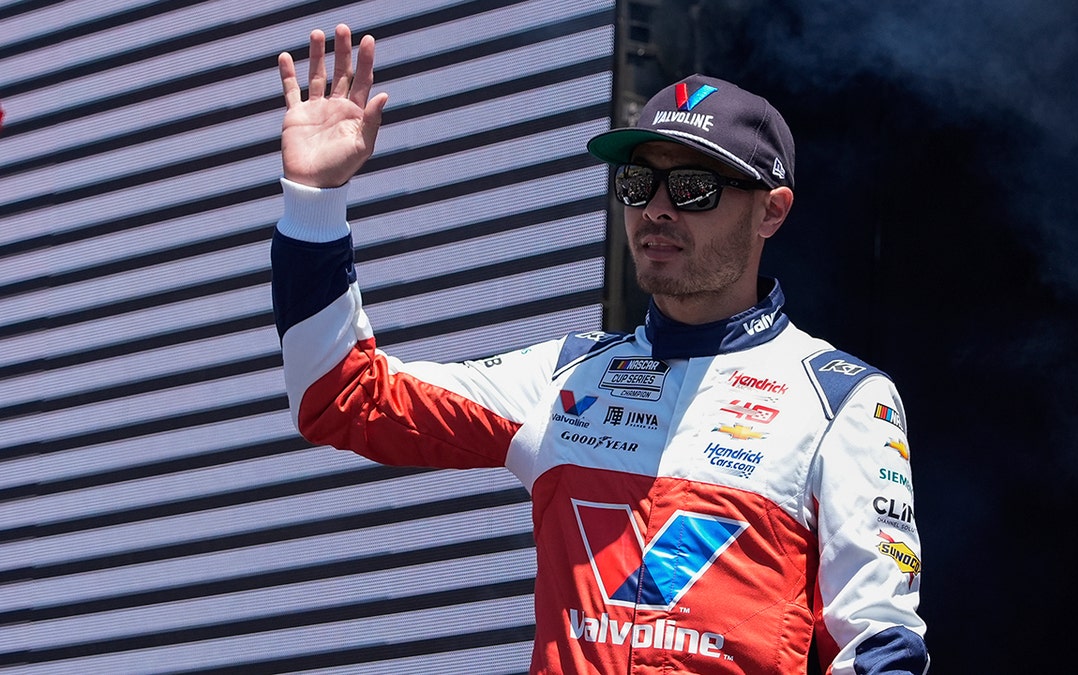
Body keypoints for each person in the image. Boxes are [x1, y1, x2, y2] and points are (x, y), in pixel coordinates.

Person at [271, 23, 929, 675]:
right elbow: (339, 396)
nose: (658, 209)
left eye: (693, 188)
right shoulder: (564, 377)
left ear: (771, 211)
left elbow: (881, 643)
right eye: (638, 184)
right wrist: (314, 202)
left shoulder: (842, 399)